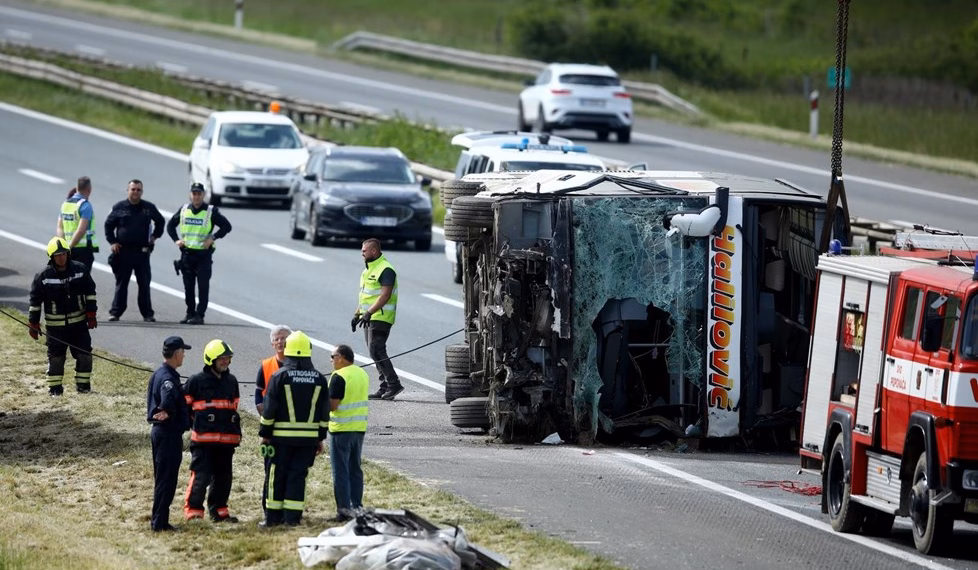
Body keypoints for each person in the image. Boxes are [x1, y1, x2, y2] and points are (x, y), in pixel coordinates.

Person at [258, 331, 330, 527]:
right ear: (309, 351)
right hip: (307, 440)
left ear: (288, 350)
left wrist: (265, 434)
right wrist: (320, 438)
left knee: (277, 475)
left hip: (280, 439)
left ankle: (272, 519)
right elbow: (324, 414)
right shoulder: (319, 379)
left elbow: (269, 408)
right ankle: (293, 518)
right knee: (298, 477)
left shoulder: (279, 376)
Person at [28, 237, 98, 396]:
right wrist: (33, 323)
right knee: (56, 359)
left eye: (64, 254)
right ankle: (55, 390)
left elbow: (90, 292)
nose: (61, 257)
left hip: (79, 325)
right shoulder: (43, 276)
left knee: (84, 355)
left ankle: (83, 387)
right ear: (51, 257)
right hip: (55, 328)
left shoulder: (80, 270)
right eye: (57, 255)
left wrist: (91, 313)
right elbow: (35, 302)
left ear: (68, 254)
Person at [182, 339, 241, 522]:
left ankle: (220, 511)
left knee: (224, 479)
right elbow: (185, 408)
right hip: (204, 442)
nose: (226, 362)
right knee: (201, 477)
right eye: (222, 358)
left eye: (228, 358)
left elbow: (234, 407)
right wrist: (197, 425)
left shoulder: (231, 381)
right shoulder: (196, 381)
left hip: (226, 442)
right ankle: (194, 512)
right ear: (211, 359)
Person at [166, 182, 232, 325]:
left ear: (203, 195)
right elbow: (170, 225)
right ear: (190, 195)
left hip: (203, 255)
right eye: (194, 193)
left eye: (199, 194)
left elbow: (227, 226)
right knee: (188, 287)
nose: (196, 196)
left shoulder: (210, 211)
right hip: (187, 254)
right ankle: (190, 313)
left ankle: (199, 315)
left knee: (203, 286)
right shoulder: (184, 210)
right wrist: (176, 240)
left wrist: (213, 237)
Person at [146, 336, 192, 532]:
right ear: (176, 354)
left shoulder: (161, 373)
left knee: (163, 478)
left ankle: (159, 520)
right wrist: (168, 410)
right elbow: (169, 397)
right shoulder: (167, 378)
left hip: (162, 433)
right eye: (183, 351)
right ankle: (160, 523)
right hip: (168, 434)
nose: (184, 355)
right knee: (166, 480)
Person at [103, 179, 165, 322]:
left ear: (142, 192)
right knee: (121, 284)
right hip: (123, 252)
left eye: (138, 189)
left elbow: (160, 222)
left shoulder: (148, 208)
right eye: (133, 189)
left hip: (142, 253)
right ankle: (115, 312)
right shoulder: (119, 207)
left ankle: (147, 314)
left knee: (144, 284)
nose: (136, 192)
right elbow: (108, 225)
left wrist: (155, 236)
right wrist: (112, 242)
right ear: (128, 190)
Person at [352, 238, 403, 400]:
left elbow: (385, 295)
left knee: (377, 349)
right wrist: (357, 314)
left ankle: (394, 384)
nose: (361, 254)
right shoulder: (367, 270)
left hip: (381, 316)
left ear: (374, 251)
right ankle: (385, 386)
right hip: (369, 317)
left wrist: (369, 313)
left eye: (364, 251)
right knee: (373, 352)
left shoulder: (386, 269)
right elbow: (365, 297)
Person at [327, 344, 369, 523]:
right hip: (358, 429)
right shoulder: (362, 374)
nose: (331, 360)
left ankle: (344, 510)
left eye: (332, 356)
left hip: (340, 429)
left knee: (341, 471)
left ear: (341, 357)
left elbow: (333, 405)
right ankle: (357, 506)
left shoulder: (339, 376)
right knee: (355, 469)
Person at [255, 324, 291, 515]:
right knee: (270, 471)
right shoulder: (265, 365)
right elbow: (258, 397)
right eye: (276, 339)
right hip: (271, 428)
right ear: (271, 343)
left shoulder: (298, 363)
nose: (280, 342)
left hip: (292, 429)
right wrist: (267, 417)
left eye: (283, 338)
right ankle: (268, 508)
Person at [56, 176, 98, 273]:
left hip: (67, 249)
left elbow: (60, 227)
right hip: (82, 250)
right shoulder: (85, 205)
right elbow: (81, 230)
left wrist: (64, 246)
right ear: (89, 189)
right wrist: (70, 246)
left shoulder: (65, 204)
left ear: (77, 188)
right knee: (82, 282)